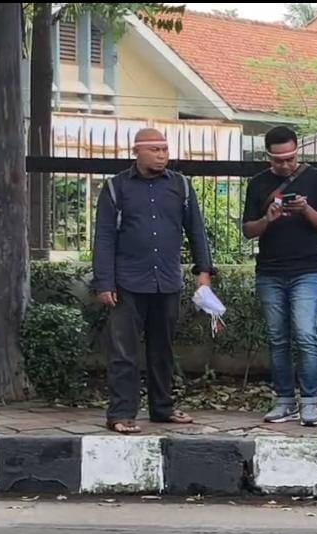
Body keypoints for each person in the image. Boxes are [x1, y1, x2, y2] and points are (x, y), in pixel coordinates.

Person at [92, 128, 215, 434]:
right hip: (127, 284)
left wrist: (204, 272)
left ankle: (162, 408)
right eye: (155, 150)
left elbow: (196, 231)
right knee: (124, 353)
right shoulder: (116, 188)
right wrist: (104, 282)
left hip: (167, 281)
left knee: (163, 350)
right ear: (137, 152)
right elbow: (104, 238)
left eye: (165, 149)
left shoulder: (181, 186)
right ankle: (121, 413)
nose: (162, 155)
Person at [242, 126, 317, 427]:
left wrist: (306, 209)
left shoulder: (315, 178)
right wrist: (267, 219)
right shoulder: (257, 184)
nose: (285, 165)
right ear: (267, 155)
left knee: (306, 333)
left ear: (297, 151)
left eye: (290, 158)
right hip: (270, 270)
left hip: (307, 268)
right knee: (277, 338)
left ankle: (310, 402)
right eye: (278, 159)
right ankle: (284, 400)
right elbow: (247, 230)